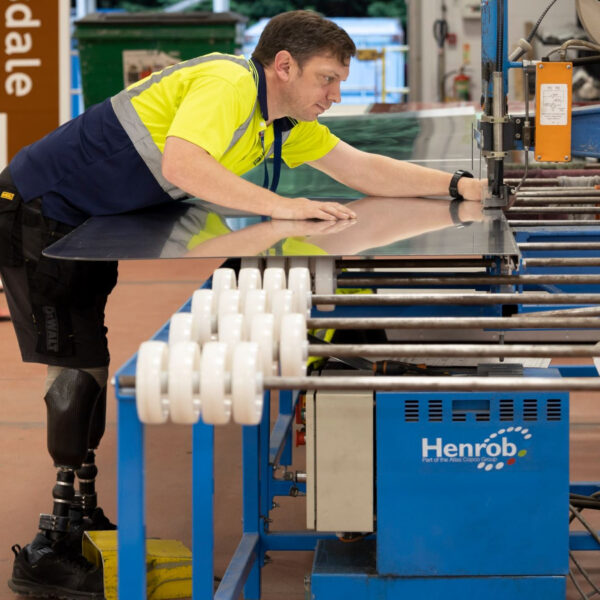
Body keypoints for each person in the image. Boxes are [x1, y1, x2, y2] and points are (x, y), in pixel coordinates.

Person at [0, 9, 483, 600]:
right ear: (283, 66)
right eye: (327, 78)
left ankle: (82, 519)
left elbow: (360, 169)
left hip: (86, 220)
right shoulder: (229, 83)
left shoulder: (276, 117)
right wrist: (280, 209)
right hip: (38, 210)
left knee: (88, 361)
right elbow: (183, 164)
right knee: (78, 371)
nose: (337, 93)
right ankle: (51, 547)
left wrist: (458, 186)